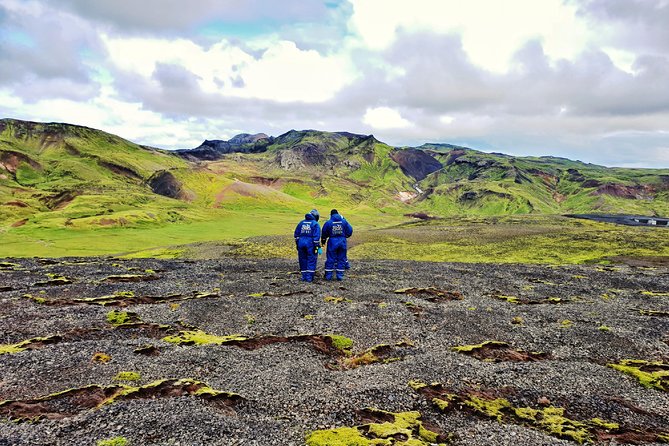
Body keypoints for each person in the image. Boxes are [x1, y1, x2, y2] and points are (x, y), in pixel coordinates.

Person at [321, 209, 353, 280]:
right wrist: (345, 235)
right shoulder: (344, 222)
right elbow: (350, 230)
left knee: (330, 258)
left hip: (332, 242)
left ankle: (328, 276)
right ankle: (339, 276)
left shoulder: (328, 223)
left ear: (331, 215)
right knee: (341, 258)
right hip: (342, 242)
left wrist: (323, 241)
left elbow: (324, 233)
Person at [294, 210, 321, 282]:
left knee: (302, 259)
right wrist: (317, 246)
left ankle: (304, 277)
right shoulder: (315, 224)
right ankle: (309, 278)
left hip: (301, 243)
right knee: (311, 259)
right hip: (310, 244)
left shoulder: (301, 223)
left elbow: (296, 235)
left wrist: (297, 244)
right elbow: (316, 237)